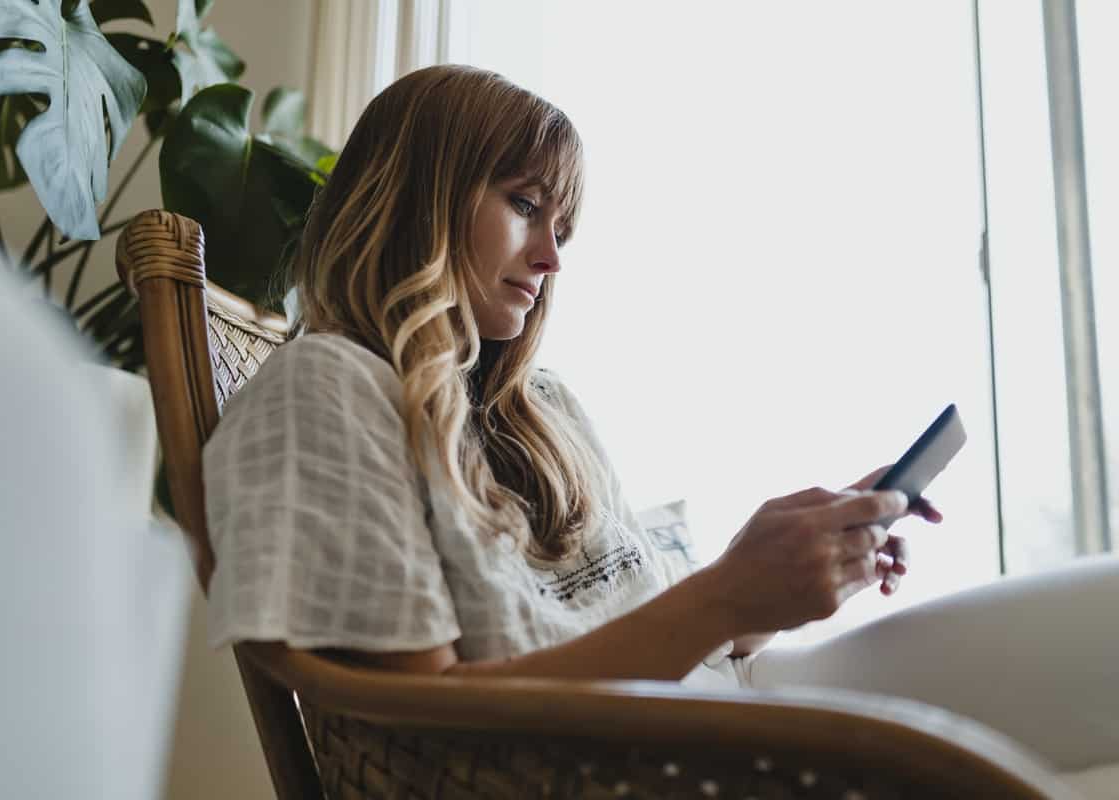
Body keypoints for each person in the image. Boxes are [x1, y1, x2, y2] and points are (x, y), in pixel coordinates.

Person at [203, 64, 1118, 775]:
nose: (553, 256)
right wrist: (725, 595)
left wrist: (778, 582)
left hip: (736, 706)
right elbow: (427, 729)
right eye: (525, 204)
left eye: (562, 223)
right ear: (416, 197)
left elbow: (649, 627)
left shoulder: (539, 410)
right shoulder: (328, 391)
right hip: (679, 761)